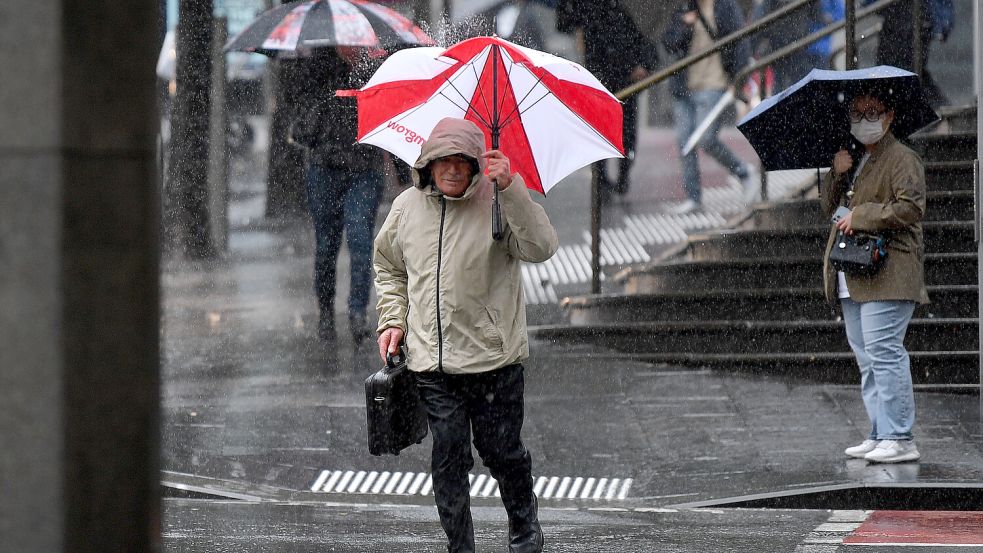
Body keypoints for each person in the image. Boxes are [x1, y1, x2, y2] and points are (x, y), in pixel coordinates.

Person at [373, 117, 558, 553]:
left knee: (502, 452)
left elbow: (541, 247)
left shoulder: (498, 200)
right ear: (428, 165)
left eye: (461, 162)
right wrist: (393, 319)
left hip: (494, 361)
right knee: (449, 455)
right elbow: (389, 266)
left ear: (476, 166)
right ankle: (460, 545)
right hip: (433, 365)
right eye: (443, 162)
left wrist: (511, 188)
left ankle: (523, 523)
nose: (453, 170)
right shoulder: (406, 208)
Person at [821, 90, 928, 464]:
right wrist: (836, 173)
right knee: (867, 357)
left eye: (872, 112)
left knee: (884, 352)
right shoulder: (856, 159)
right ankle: (880, 431)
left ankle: (900, 436)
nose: (864, 120)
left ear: (889, 115)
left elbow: (910, 207)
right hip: (854, 272)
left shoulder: (902, 159)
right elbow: (829, 209)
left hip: (889, 270)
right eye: (857, 113)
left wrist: (862, 217)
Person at [290, 48, 385, 346]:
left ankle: (357, 312)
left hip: (364, 170)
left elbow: (389, 116)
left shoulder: (375, 70)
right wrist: (324, 109)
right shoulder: (315, 68)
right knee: (327, 245)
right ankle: (326, 312)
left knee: (360, 238)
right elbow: (301, 127)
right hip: (325, 170)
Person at [662, 0, 759, 214]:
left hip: (714, 84)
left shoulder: (725, 6)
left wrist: (738, 78)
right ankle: (693, 198)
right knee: (685, 142)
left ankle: (744, 172)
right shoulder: (685, 7)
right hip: (684, 86)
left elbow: (739, 42)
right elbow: (668, 43)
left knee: (706, 139)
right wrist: (684, 25)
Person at [556, 0, 659, 198]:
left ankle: (619, 176)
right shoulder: (589, 8)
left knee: (624, 133)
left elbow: (642, 35)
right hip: (601, 77)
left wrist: (643, 64)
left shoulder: (628, 11)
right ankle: (604, 180)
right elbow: (564, 23)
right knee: (603, 132)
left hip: (623, 77)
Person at [865, 0, 953, 108]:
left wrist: (942, 22)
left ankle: (936, 107)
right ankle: (937, 107)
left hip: (910, 15)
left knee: (900, 68)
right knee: (902, 69)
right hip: (901, 15)